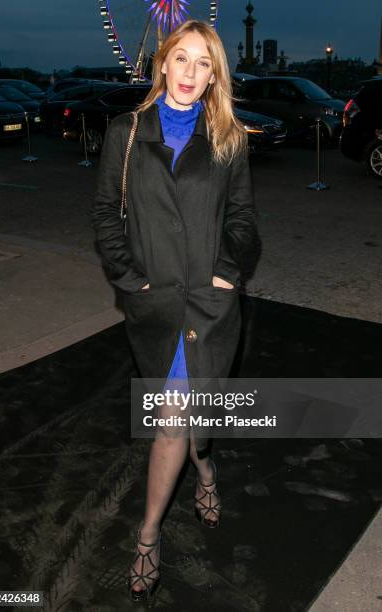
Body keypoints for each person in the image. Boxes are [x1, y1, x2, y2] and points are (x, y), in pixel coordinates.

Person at [91, 18, 261, 603]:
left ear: (215, 75)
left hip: (210, 304)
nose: (191, 73)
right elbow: (105, 217)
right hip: (156, 303)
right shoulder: (127, 131)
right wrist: (130, 280)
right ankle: (148, 534)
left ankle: (205, 469)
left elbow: (242, 218)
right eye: (181, 59)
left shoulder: (230, 139)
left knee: (193, 419)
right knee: (175, 418)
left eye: (204, 63)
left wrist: (229, 271)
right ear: (162, 63)